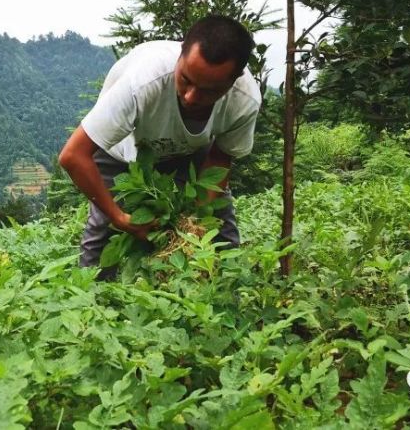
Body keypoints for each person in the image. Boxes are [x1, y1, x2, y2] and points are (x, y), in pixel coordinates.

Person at [58, 15, 260, 276]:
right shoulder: (142, 81)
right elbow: (73, 156)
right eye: (186, 79)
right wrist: (119, 217)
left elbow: (221, 158)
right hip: (122, 150)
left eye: (209, 91)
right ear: (181, 53)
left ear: (234, 80)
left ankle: (221, 300)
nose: (190, 97)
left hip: (191, 149)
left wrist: (195, 221)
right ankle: (91, 304)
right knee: (102, 238)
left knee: (219, 234)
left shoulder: (244, 100)